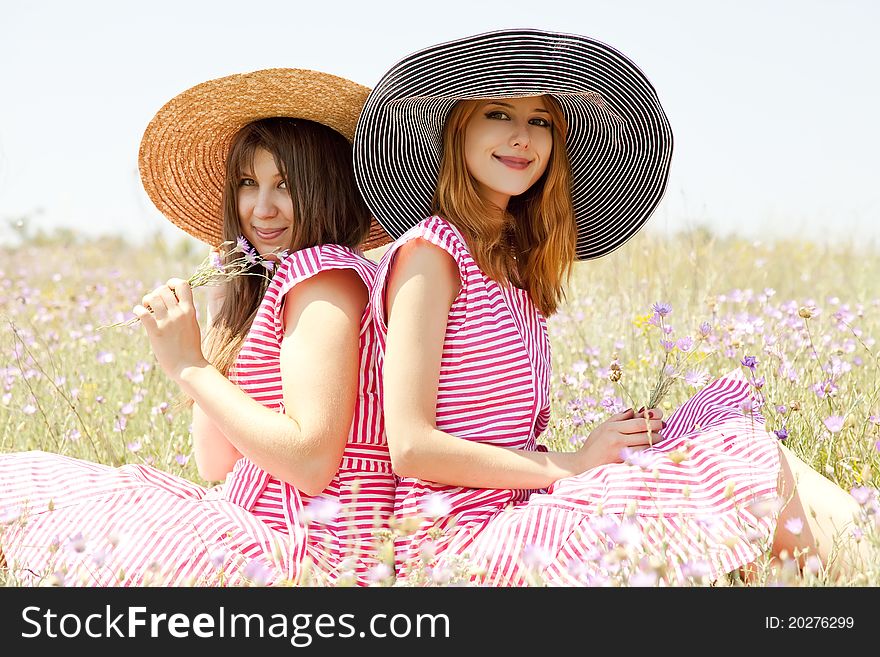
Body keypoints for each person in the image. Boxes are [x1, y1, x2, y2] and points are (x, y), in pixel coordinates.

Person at [352, 29, 871, 586]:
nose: (522, 138)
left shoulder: (514, 268)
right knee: (729, 464)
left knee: (715, 432)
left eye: (541, 120)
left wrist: (587, 458)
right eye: (498, 113)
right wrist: (573, 467)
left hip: (516, 509)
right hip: (456, 542)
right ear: (457, 128)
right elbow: (410, 447)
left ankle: (838, 589)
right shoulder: (432, 253)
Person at [0, 68, 394, 586]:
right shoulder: (286, 281)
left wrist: (190, 365)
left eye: (287, 186)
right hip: (256, 519)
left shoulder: (323, 278)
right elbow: (215, 461)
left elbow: (310, 462)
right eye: (248, 184)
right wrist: (224, 305)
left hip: (314, 546)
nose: (262, 207)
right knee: (26, 481)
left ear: (330, 190)